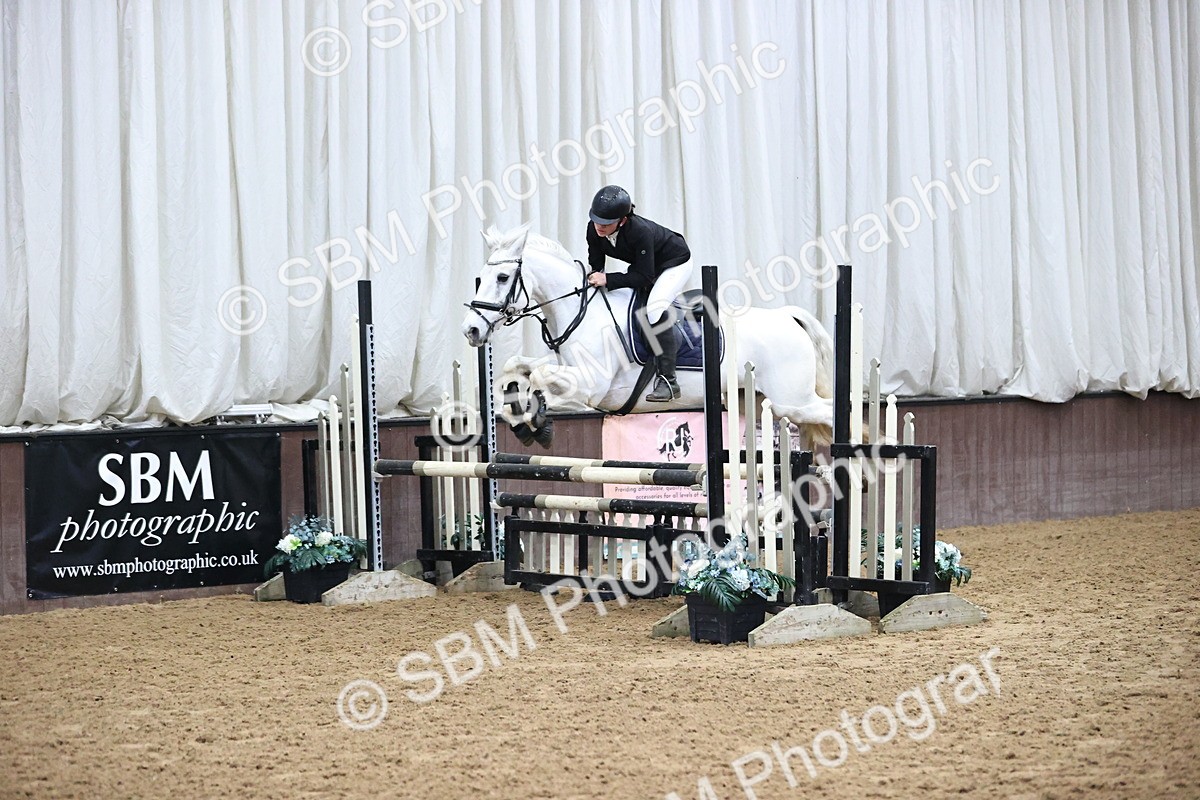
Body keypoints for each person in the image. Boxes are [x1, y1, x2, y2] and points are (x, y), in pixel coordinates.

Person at [585, 185, 692, 402]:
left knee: (653, 310)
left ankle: (669, 381)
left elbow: (644, 276)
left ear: (622, 220)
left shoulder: (639, 231)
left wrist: (609, 279)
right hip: (645, 265)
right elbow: (596, 262)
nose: (599, 226)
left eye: (606, 223)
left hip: (674, 263)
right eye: (597, 220)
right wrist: (596, 276)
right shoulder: (593, 228)